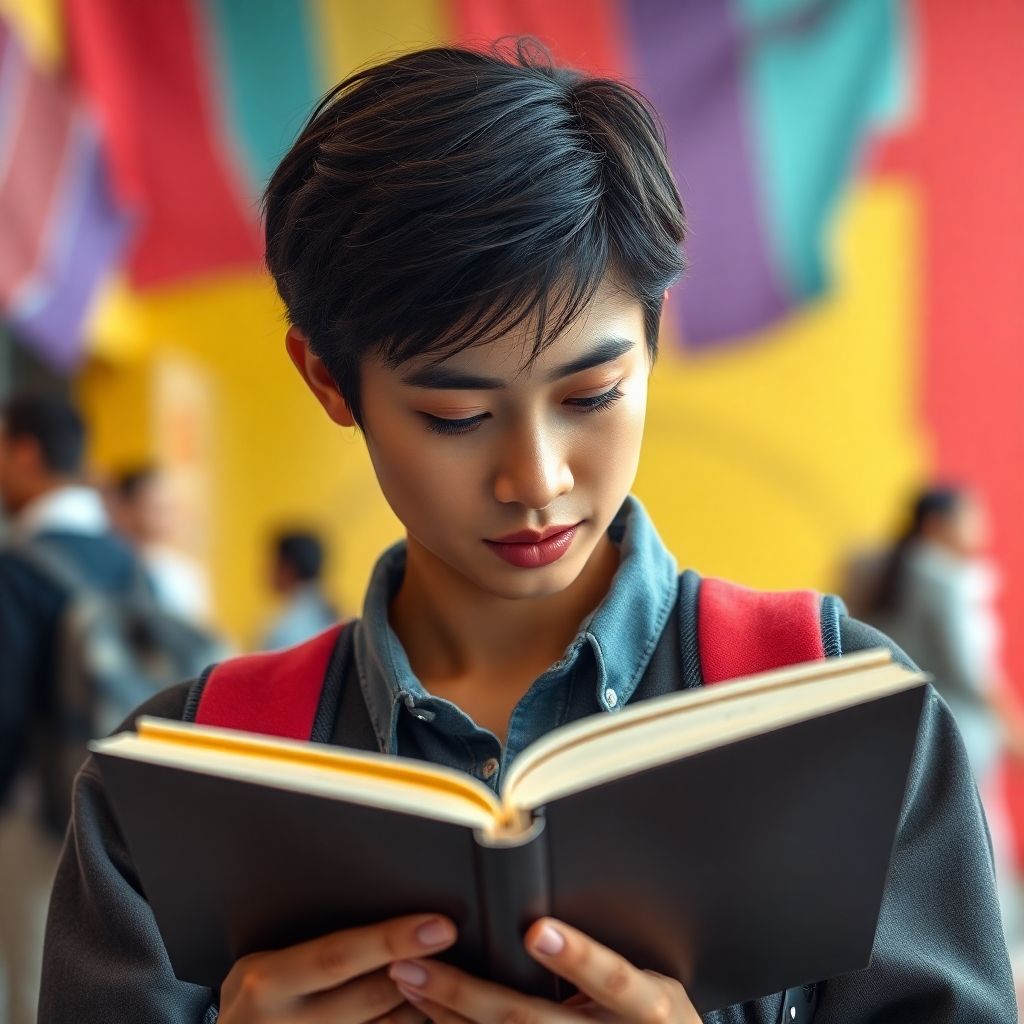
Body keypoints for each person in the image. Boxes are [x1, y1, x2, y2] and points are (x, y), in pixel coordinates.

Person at [39, 42, 1015, 1023]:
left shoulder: (841, 710)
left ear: (654, 331)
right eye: (455, 417)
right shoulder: (178, 787)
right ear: (328, 379)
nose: (536, 479)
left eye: (592, 394)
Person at [0, 392, 141, 1024]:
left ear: (26, 452)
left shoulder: (18, 568)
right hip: (129, 810)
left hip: (39, 815)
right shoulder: (131, 562)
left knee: (34, 990)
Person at [852, 486, 1024, 961]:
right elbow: (973, 671)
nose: (981, 529)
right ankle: (991, 952)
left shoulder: (877, 570)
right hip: (961, 732)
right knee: (986, 841)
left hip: (909, 728)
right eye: (971, 518)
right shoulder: (943, 579)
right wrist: (1014, 728)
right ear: (937, 524)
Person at [108, 463, 214, 625]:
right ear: (125, 510)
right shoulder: (113, 567)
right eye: (156, 508)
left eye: (170, 507)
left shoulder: (186, 573)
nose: (167, 517)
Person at [259, 529, 339, 650]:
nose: (266, 570)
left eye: (273, 562)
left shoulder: (280, 626)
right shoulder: (337, 615)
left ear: (288, 569)